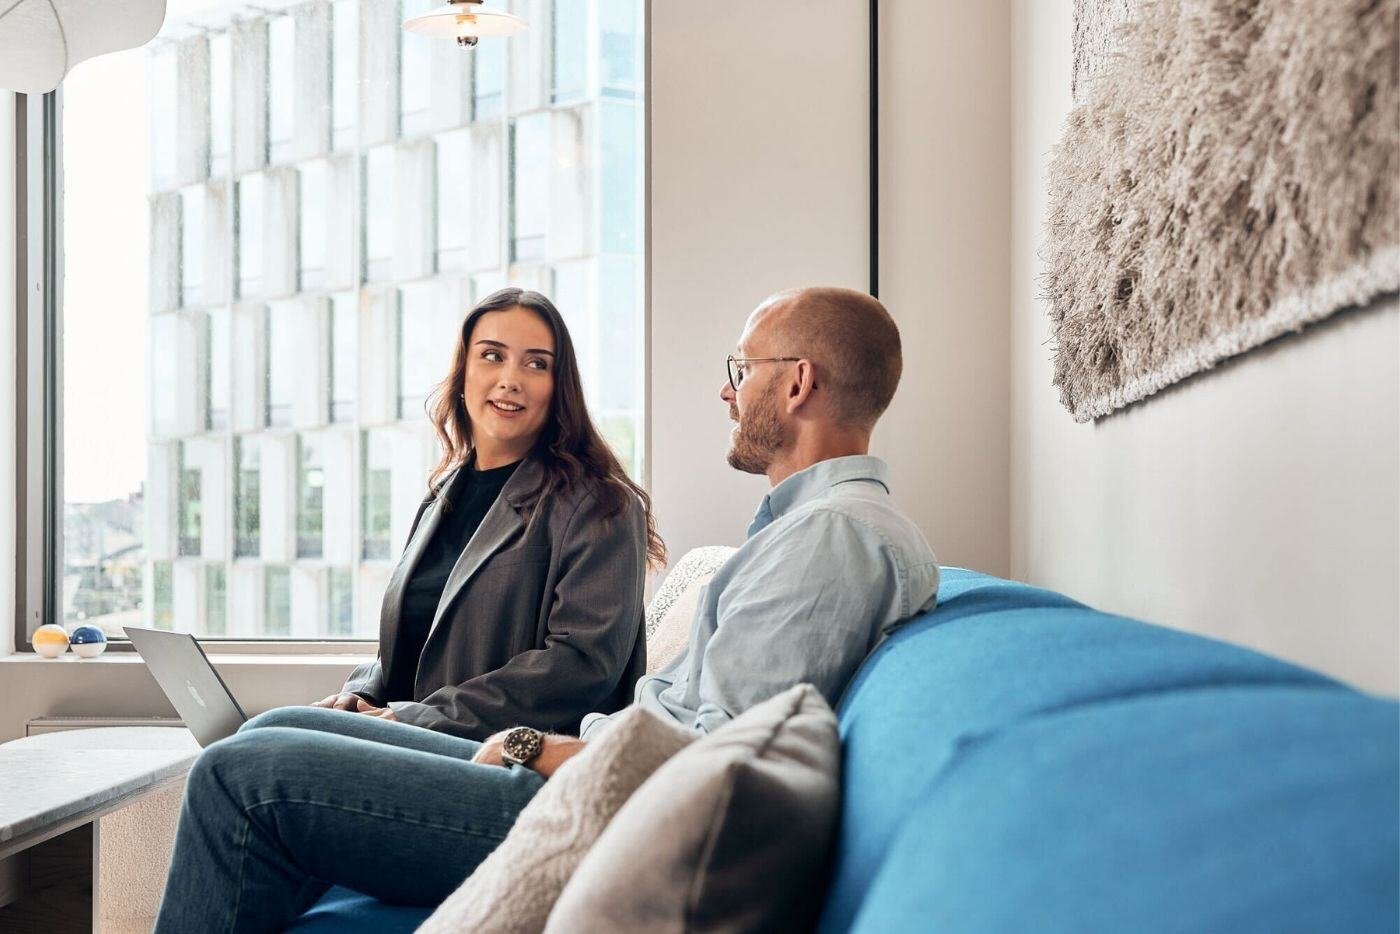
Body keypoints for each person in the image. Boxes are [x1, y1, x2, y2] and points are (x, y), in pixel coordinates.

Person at [153, 287, 939, 933]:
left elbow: (704, 754)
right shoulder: (804, 532)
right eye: (491, 356)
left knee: (240, 774)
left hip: (588, 805)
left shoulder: (831, 539)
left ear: (797, 383)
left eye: (742, 367)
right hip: (584, 767)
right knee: (272, 731)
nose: (726, 390)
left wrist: (532, 745)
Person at [311, 286, 665, 739]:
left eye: (536, 363)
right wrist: (361, 696)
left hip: (504, 759)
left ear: (560, 388)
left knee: (251, 752)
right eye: (492, 356)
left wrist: (410, 718)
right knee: (261, 735)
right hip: (410, 739)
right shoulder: (442, 495)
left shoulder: (602, 505)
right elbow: (411, 642)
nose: (510, 379)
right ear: (463, 374)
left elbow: (582, 666)